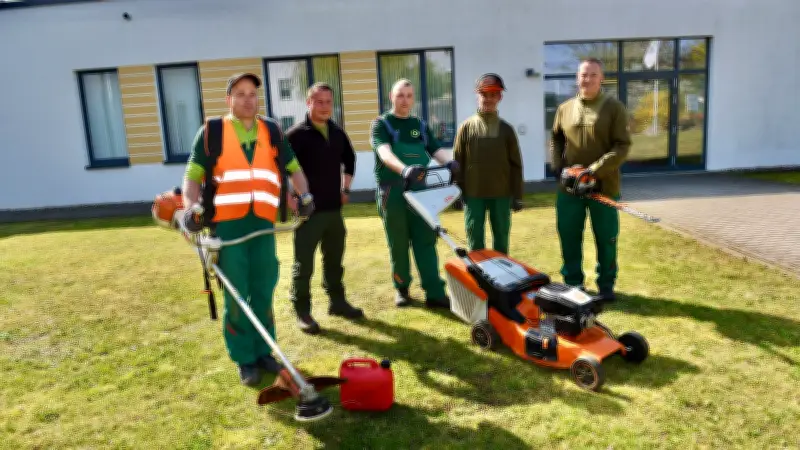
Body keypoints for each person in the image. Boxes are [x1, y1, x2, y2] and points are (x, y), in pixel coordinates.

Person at [181, 73, 315, 386]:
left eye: (252, 94)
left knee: (263, 289)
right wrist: (190, 209)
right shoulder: (212, 132)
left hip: (263, 224)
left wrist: (305, 196)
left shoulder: (271, 131)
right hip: (228, 226)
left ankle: (265, 350)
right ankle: (244, 357)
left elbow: (295, 169)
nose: (247, 99)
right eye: (240, 94)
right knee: (237, 294)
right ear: (229, 100)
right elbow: (193, 176)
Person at [369, 78, 458, 308]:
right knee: (398, 244)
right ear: (391, 96)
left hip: (421, 191)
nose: (405, 100)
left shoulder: (420, 125)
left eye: (409, 96)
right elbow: (384, 153)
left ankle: (435, 292)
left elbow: (436, 149)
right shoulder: (381, 124)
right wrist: (405, 169)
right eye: (400, 95)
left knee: (426, 240)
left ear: (414, 98)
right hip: (393, 192)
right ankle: (402, 288)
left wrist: (451, 163)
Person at [550, 58, 632, 302]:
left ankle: (606, 284)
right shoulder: (564, 109)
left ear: (601, 78)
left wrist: (594, 171)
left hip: (603, 186)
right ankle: (573, 282)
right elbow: (556, 139)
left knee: (606, 237)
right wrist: (559, 168)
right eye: (583, 75)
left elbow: (622, 145)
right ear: (577, 78)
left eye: (593, 75)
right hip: (570, 189)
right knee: (569, 235)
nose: (587, 79)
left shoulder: (614, 108)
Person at [285, 82, 363, 334]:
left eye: (328, 102)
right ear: (308, 103)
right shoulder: (296, 135)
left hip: (333, 212)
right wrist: (289, 197)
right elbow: (279, 168)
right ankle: (302, 311)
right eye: (318, 102)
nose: (324, 107)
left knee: (334, 260)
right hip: (309, 214)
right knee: (303, 265)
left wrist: (346, 189)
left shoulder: (337, 133)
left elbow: (350, 160)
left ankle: (337, 302)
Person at [452, 73, 524, 255]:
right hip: (473, 194)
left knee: (501, 237)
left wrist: (517, 195)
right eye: (484, 94)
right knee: (474, 238)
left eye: (493, 95)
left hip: (501, 194)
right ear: (478, 96)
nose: (488, 99)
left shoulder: (507, 130)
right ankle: (478, 276)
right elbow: (457, 161)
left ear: (500, 97)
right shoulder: (466, 127)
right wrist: (456, 191)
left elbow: (516, 164)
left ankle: (504, 276)